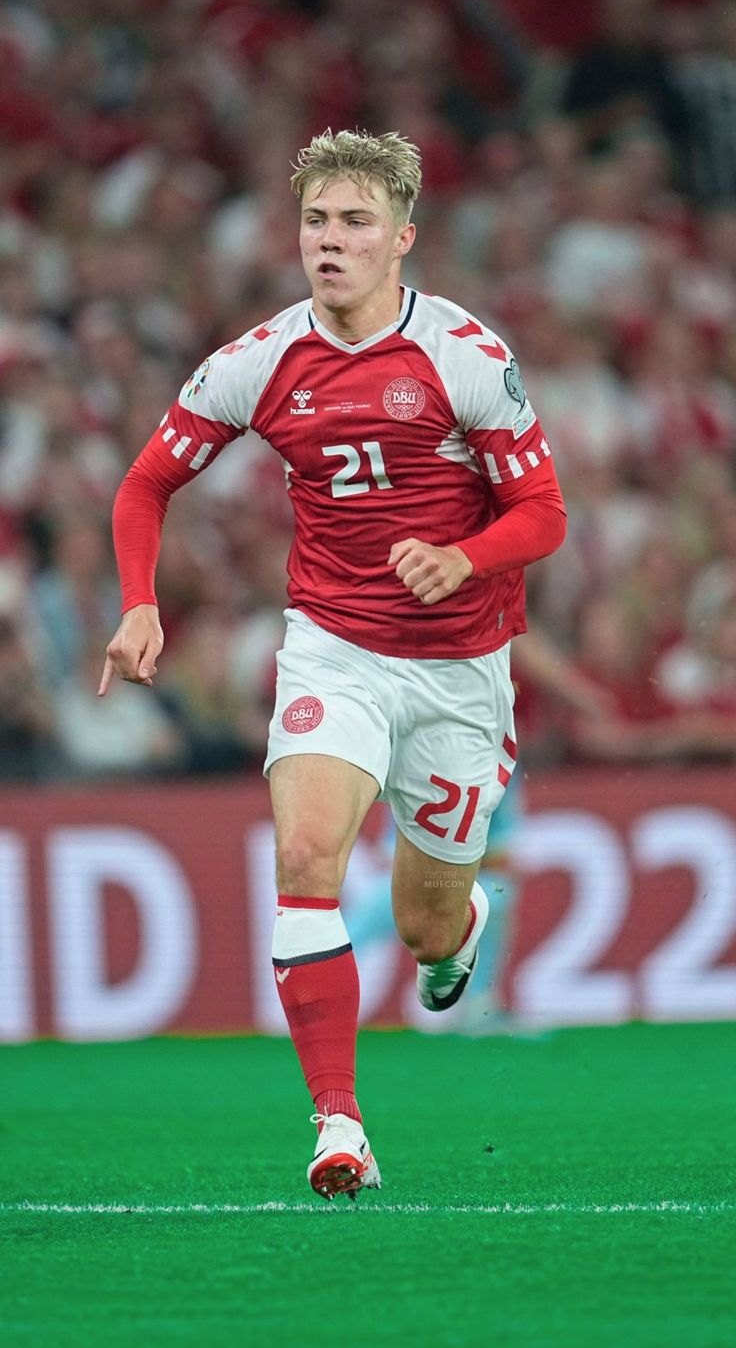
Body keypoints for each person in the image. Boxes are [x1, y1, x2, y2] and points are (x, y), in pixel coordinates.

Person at [99, 129, 566, 1200]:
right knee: (307, 855)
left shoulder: (464, 353)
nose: (331, 240)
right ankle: (339, 1121)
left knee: (426, 923)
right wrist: (138, 601)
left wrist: (465, 556)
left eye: (356, 221)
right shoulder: (259, 361)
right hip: (333, 646)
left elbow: (543, 511)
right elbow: (144, 483)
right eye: (316, 220)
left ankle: (460, 931)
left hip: (458, 665)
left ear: (402, 238)